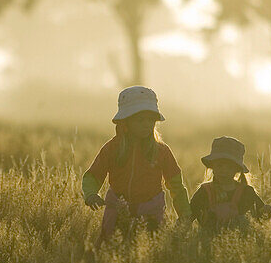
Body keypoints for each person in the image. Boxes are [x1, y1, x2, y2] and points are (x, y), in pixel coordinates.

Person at [81, 86, 191, 242]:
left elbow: (176, 186)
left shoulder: (161, 151)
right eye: (140, 120)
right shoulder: (112, 148)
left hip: (151, 213)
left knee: (151, 251)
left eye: (150, 120)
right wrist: (91, 194)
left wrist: (185, 214)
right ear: (126, 121)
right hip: (117, 210)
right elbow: (93, 175)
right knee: (109, 248)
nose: (146, 124)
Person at [190, 136, 271, 233]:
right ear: (212, 166)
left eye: (229, 167)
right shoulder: (204, 191)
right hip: (208, 243)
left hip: (241, 242)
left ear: (237, 169)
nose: (223, 171)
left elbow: (261, 217)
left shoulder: (246, 192)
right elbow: (188, 216)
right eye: (219, 166)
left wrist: (266, 212)